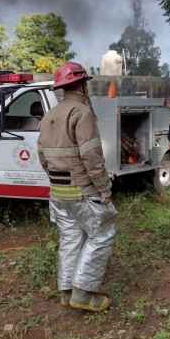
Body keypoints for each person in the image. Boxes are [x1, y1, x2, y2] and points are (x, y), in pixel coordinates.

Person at [37, 61, 118, 312]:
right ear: (82, 85)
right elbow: (91, 156)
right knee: (102, 234)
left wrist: (55, 179)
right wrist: (104, 188)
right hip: (83, 191)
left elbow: (42, 156)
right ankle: (83, 293)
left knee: (70, 238)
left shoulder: (48, 115)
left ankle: (66, 291)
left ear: (63, 88)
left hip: (58, 194)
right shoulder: (81, 113)